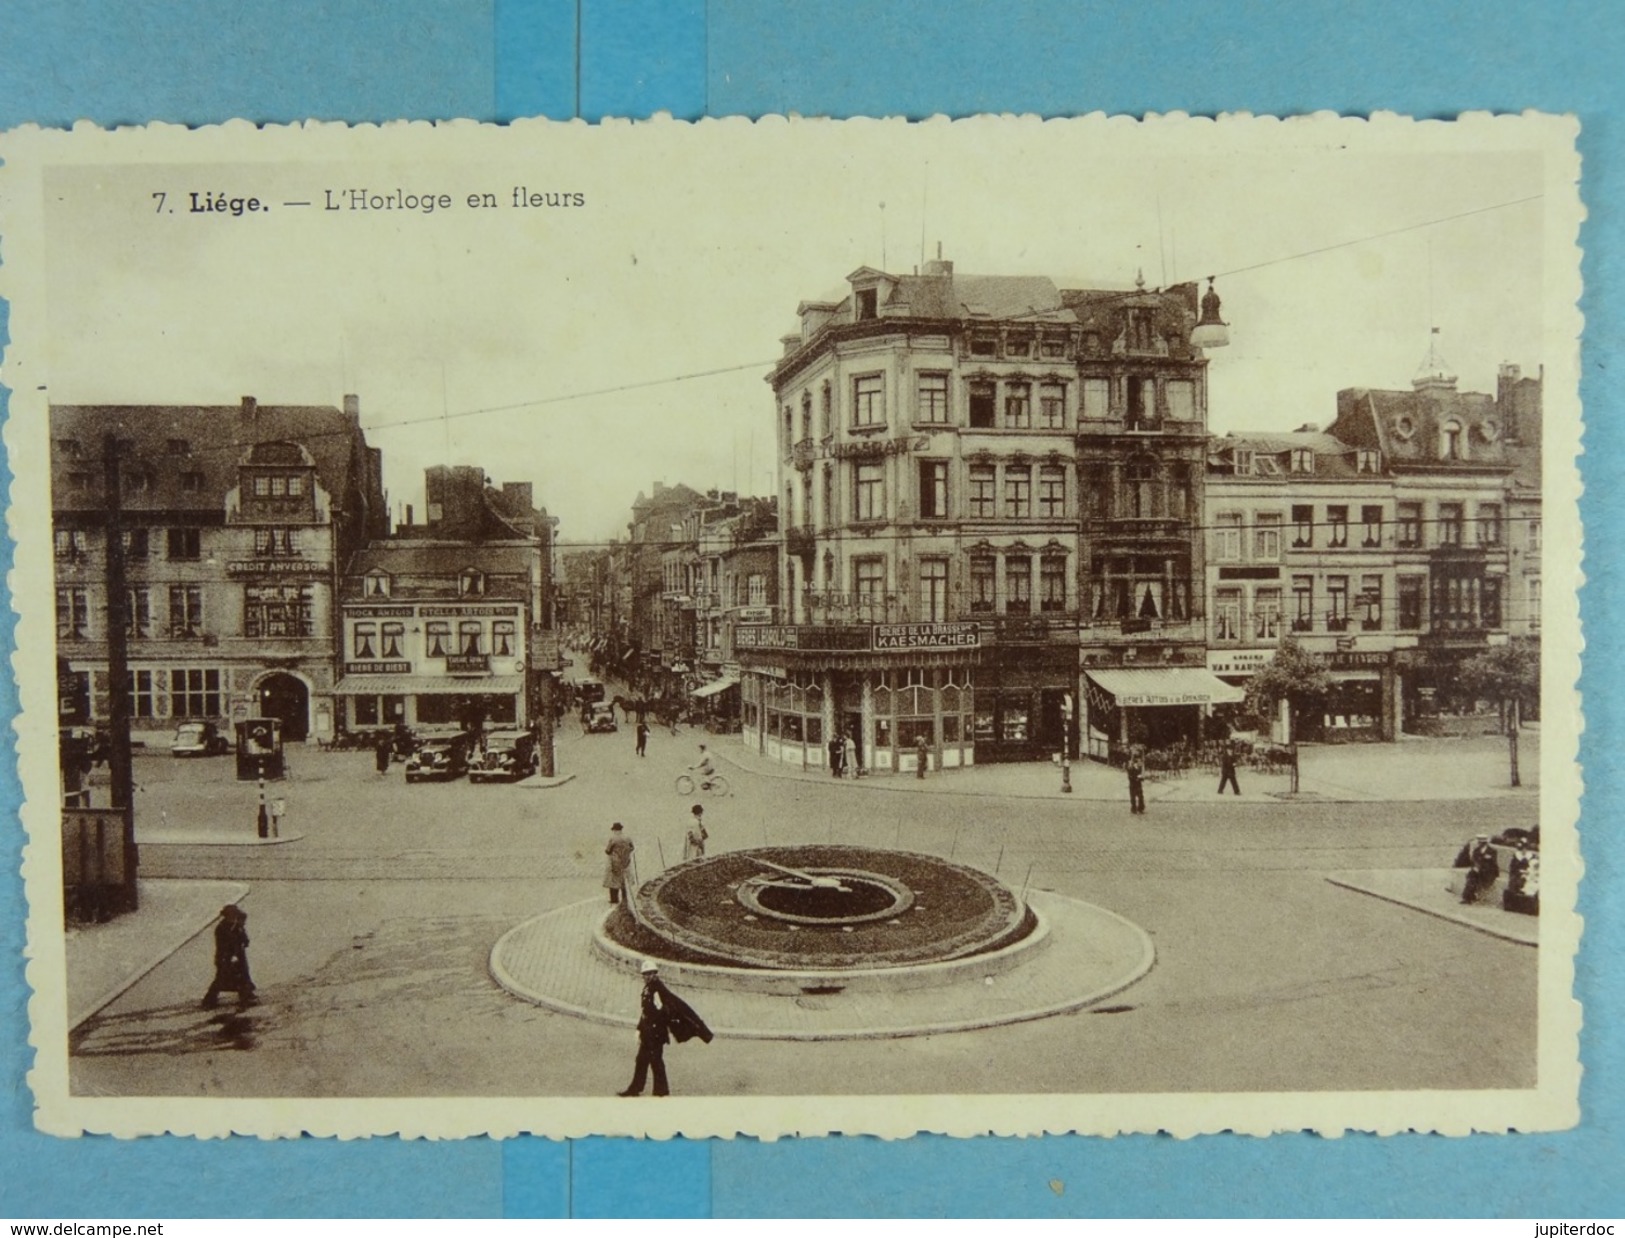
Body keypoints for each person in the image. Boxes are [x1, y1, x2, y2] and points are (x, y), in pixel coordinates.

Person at [618, 960, 711, 1097]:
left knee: (655, 1061)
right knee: (642, 1060)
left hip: (655, 1034)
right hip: (648, 1032)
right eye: (646, 974)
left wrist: (657, 1026)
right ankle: (637, 1089)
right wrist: (640, 1029)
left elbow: (664, 1011)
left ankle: (660, 1091)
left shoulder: (657, 990)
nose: (648, 976)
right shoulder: (648, 988)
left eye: (651, 974)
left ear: (655, 974)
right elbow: (645, 1012)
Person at [201, 904, 256, 1009]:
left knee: (242, 975)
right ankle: (209, 1000)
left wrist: (243, 939)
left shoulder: (235, 926)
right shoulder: (222, 928)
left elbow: (244, 939)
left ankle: (246, 995)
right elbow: (226, 943)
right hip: (225, 957)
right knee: (221, 978)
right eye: (232, 914)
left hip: (237, 956)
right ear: (227, 915)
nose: (234, 917)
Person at [1457, 834, 1500, 905]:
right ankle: (1467, 897)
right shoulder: (1476, 850)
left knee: (1474, 877)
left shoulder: (1492, 851)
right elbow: (1474, 861)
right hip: (1478, 870)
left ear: (1485, 843)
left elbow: (1493, 864)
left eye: (1481, 843)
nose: (1479, 844)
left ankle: (1470, 897)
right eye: (1479, 842)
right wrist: (1476, 867)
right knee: (1471, 877)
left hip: (1489, 871)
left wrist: (1481, 868)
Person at [603, 822, 634, 904]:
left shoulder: (613, 839)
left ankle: (614, 900)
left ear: (614, 830)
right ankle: (625, 899)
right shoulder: (628, 838)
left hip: (615, 862)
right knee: (624, 881)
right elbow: (632, 848)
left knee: (614, 881)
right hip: (626, 862)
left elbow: (608, 851)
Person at [1126, 747, 1146, 815]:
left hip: (1138, 784)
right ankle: (1133, 808)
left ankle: (1140, 808)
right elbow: (1129, 776)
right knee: (1133, 797)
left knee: (1141, 796)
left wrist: (1141, 778)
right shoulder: (1131, 768)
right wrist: (1136, 778)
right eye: (1138, 762)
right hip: (1133, 785)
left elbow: (1142, 777)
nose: (1139, 763)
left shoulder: (1139, 768)